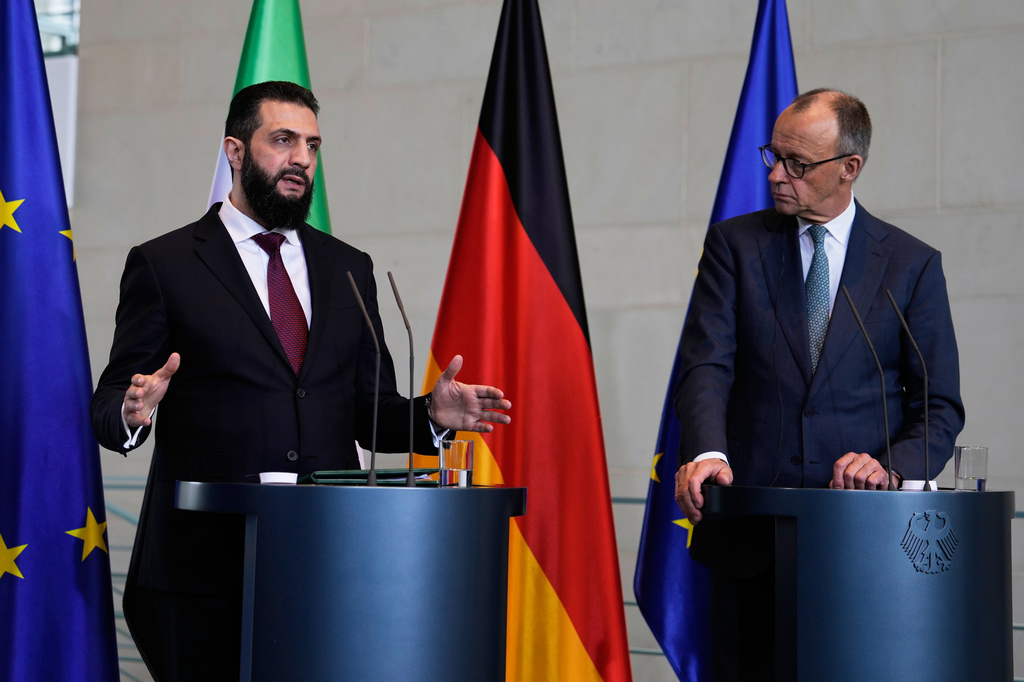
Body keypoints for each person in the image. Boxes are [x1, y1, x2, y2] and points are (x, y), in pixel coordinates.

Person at [91, 81, 511, 681]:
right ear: (235, 151)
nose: (301, 161)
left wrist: (429, 415)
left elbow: (372, 409)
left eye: (312, 146)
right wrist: (133, 411)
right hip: (202, 575)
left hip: (328, 568)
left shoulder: (348, 267)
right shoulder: (166, 264)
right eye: (283, 141)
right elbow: (109, 402)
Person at [671, 89, 964, 679]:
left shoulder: (910, 265)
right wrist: (707, 450)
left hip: (861, 544)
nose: (778, 175)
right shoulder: (736, 246)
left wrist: (891, 466)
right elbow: (707, 365)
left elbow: (938, 405)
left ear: (849, 167)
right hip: (749, 541)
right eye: (773, 156)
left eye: (798, 164)